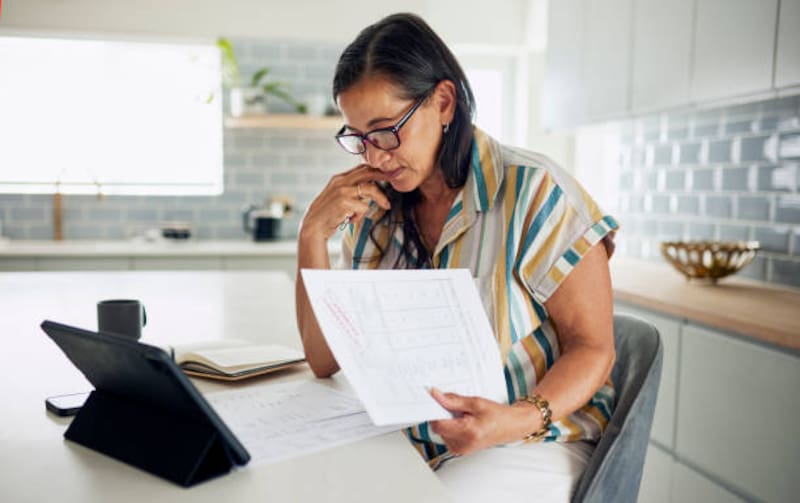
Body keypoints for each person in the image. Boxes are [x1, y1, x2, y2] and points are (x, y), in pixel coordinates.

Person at [295, 12, 618, 502]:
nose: (374, 157)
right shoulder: (373, 210)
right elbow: (323, 360)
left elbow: (593, 346)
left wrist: (515, 419)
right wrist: (311, 233)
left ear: (443, 102)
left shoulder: (536, 191)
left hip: (528, 441)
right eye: (358, 138)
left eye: (385, 131)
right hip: (415, 442)